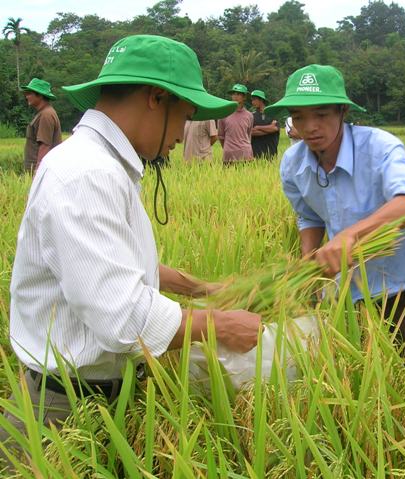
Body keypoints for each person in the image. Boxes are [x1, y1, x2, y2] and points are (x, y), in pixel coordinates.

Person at [2, 35, 261, 456]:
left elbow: (108, 264)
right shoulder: (86, 173)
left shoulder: (104, 165)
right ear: (156, 98)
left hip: (96, 397)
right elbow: (122, 314)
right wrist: (221, 325)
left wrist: (202, 289)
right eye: (186, 115)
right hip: (63, 412)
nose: (181, 134)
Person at [265, 64, 405, 356]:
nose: (309, 127)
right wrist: (309, 264)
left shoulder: (380, 147)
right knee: (355, 375)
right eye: (298, 117)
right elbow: (309, 215)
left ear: (343, 112)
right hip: (343, 291)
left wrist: (350, 236)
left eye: (321, 114)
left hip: (399, 287)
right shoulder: (292, 163)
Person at [21, 77, 62, 173]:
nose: (26, 97)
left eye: (29, 94)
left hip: (39, 171)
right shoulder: (44, 113)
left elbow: (45, 145)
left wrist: (38, 172)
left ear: (39, 95)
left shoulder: (46, 115)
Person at [217, 83, 253, 165]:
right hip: (229, 155)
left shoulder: (249, 115)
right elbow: (221, 136)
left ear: (244, 97)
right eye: (233, 94)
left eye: (238, 94)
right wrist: (228, 148)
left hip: (246, 155)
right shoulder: (224, 113)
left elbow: (248, 135)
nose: (235, 96)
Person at [250, 89, 279, 159]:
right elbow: (250, 132)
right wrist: (268, 129)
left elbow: (274, 128)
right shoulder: (251, 116)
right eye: (252, 100)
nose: (252, 102)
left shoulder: (272, 114)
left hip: (271, 153)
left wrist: (257, 127)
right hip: (255, 154)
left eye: (254, 100)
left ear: (261, 100)